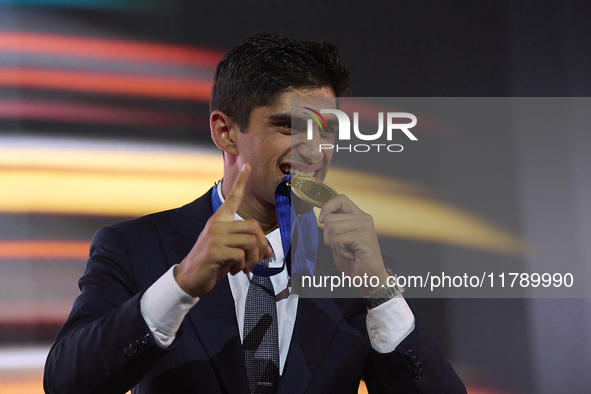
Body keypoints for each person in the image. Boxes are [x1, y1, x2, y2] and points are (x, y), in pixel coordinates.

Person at [44, 33, 466, 394]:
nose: (315, 151)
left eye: (328, 130)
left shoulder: (355, 268)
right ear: (225, 132)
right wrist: (181, 284)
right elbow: (67, 382)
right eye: (288, 127)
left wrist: (379, 291)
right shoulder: (135, 248)